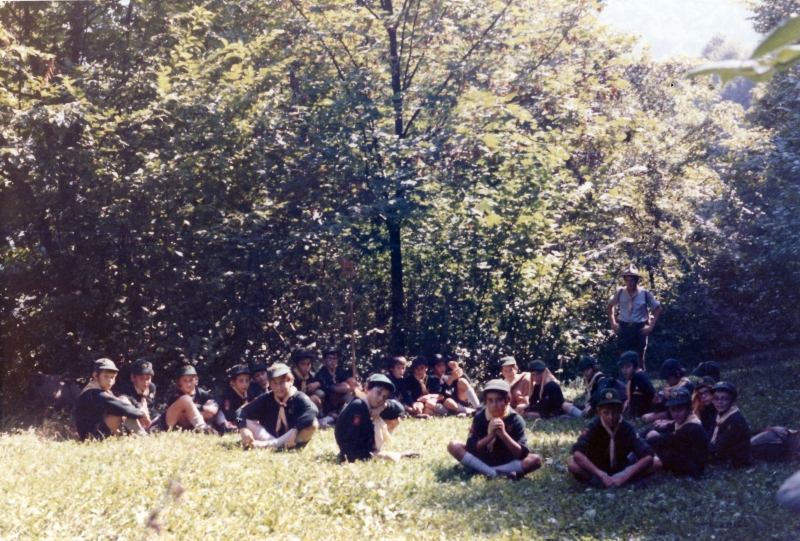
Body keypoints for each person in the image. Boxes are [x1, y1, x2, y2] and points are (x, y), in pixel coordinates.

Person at [447, 380, 542, 479]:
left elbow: (522, 454)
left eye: (499, 400)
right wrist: (491, 435)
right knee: (453, 446)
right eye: (490, 400)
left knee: (535, 460)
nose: (494, 405)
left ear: (507, 400)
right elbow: (471, 448)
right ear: (486, 401)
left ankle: (485, 471)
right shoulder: (480, 416)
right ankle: (494, 473)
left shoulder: (515, 419)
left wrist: (503, 434)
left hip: (506, 462)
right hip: (482, 459)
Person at [567, 388, 654, 488]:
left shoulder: (626, 427)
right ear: (598, 411)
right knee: (572, 465)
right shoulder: (594, 426)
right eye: (606, 413)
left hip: (622, 469)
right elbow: (577, 453)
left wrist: (623, 478)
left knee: (656, 462)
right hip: (598, 469)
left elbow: (648, 455)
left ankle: (621, 481)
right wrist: (601, 475)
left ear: (621, 410)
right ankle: (599, 481)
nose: (611, 417)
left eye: (615, 412)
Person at [335, 374, 418, 462]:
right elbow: (350, 435)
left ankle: (378, 451)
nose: (380, 399)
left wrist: (384, 406)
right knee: (392, 458)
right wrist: (348, 458)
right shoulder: (359, 405)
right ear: (366, 388)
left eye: (384, 396)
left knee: (395, 418)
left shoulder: (372, 403)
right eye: (378, 393)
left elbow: (400, 409)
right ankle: (395, 454)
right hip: (355, 448)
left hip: (363, 441)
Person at [236, 363, 319, 450]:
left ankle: (273, 445)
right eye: (274, 383)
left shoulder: (298, 396)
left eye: (282, 382)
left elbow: (312, 410)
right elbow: (240, 412)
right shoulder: (266, 397)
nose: (279, 387)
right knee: (245, 420)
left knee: (313, 423)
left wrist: (295, 430)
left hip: (292, 438)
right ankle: (275, 445)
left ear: (291, 381)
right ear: (269, 385)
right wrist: (243, 429)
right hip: (269, 437)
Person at [75, 358, 148, 440]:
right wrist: (142, 414)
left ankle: (141, 435)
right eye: (106, 376)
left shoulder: (102, 391)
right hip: (91, 438)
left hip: (98, 431)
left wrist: (138, 407)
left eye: (112, 377)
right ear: (95, 376)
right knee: (120, 410)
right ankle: (142, 436)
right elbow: (125, 409)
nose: (110, 380)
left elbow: (125, 398)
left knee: (123, 399)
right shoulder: (94, 393)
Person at [644, 387, 709, 478]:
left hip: (690, 469)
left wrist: (658, 435)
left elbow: (663, 439)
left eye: (680, 409)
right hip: (679, 456)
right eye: (673, 410)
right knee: (651, 433)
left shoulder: (691, 427)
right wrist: (657, 433)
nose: (676, 414)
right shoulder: (681, 422)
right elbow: (664, 430)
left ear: (690, 409)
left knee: (652, 451)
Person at [607, 264, 662, 370]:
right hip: (624, 326)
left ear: (636, 280)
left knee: (639, 357)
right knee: (623, 356)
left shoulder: (644, 293)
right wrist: (613, 323)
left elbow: (658, 308)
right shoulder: (620, 292)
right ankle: (624, 383)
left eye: (632, 280)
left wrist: (650, 327)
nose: (629, 283)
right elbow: (610, 306)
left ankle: (641, 380)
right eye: (627, 280)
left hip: (639, 327)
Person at [161, 365, 221, 434]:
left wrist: (214, 406)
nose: (188, 384)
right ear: (179, 382)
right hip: (172, 423)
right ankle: (202, 427)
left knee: (211, 402)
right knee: (186, 398)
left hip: (190, 424)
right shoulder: (176, 393)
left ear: (196, 381)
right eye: (185, 381)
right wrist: (205, 408)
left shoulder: (198, 391)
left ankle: (224, 425)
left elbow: (218, 399)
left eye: (191, 380)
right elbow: (186, 405)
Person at [708, 381, 751, 468]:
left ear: (734, 401)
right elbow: (710, 436)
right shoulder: (718, 415)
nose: (720, 402)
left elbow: (719, 447)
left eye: (725, 399)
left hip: (732, 461)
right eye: (716, 398)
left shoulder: (735, 420)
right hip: (719, 453)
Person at [642, 359, 694, 424]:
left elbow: (685, 406)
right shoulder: (670, 388)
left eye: (669, 379)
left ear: (677, 374)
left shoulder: (687, 385)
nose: (667, 381)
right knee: (645, 417)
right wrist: (656, 403)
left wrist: (670, 397)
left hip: (679, 414)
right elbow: (663, 408)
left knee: (646, 418)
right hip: (670, 412)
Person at [115, 358, 158, 432]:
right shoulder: (127, 389)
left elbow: (151, 406)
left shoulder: (151, 387)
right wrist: (141, 399)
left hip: (152, 419)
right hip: (136, 421)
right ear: (133, 377)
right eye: (141, 378)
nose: (145, 382)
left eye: (148, 378)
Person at [313, 348, 358, 417]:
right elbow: (334, 389)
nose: (332, 361)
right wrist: (353, 389)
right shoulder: (321, 373)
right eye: (330, 358)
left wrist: (356, 384)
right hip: (326, 403)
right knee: (344, 387)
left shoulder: (338, 371)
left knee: (346, 384)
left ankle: (356, 408)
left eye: (335, 359)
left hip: (338, 401)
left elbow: (348, 379)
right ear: (324, 360)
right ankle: (328, 415)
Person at [618, 351, 655, 418]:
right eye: (622, 367)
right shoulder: (632, 377)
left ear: (635, 365)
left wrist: (633, 417)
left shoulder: (637, 377)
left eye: (628, 366)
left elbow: (637, 401)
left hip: (648, 411)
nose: (624, 370)